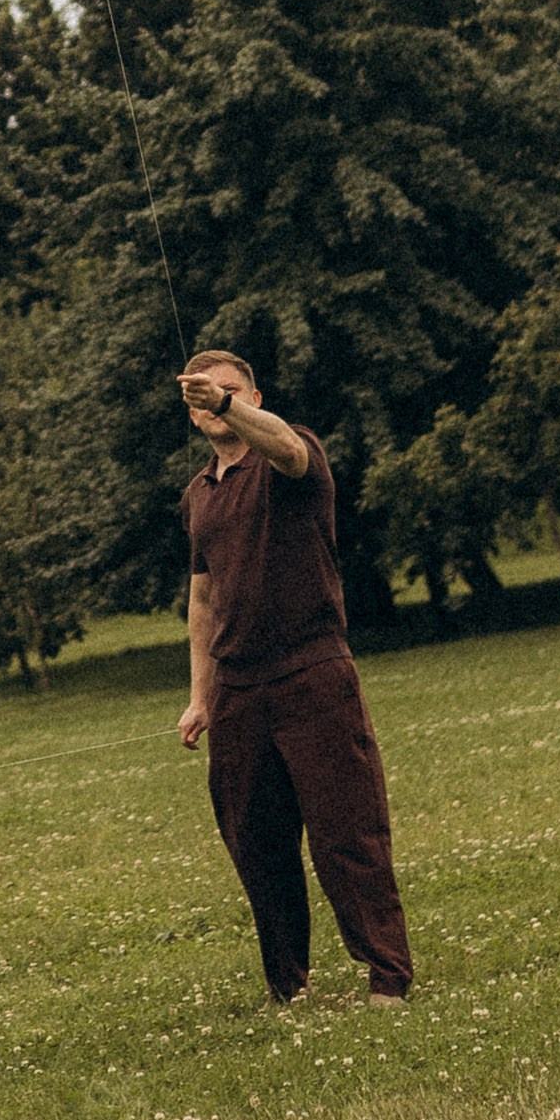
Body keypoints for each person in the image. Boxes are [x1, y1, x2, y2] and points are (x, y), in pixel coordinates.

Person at [175, 350, 414, 1007]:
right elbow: (202, 598)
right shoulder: (199, 493)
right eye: (205, 396)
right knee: (255, 842)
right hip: (237, 690)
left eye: (229, 391)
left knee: (346, 831)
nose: (218, 402)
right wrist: (199, 696)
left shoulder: (288, 454)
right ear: (192, 415)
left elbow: (283, 445)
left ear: (252, 395)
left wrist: (226, 406)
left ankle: (386, 977)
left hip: (311, 671)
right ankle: (289, 985)